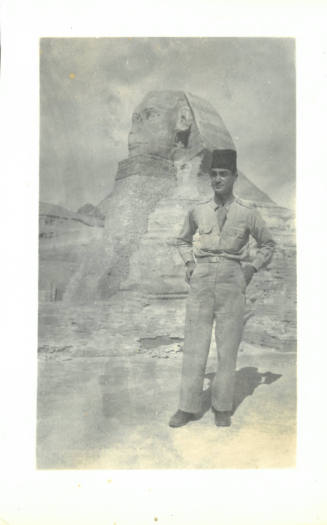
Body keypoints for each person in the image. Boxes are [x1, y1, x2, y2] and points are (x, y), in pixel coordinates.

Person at [169, 149, 276, 428]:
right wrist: (189, 264)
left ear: (234, 177)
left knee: (228, 349)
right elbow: (181, 240)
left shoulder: (247, 213)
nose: (217, 179)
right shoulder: (198, 210)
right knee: (195, 346)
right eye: (213, 174)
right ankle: (187, 407)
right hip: (201, 280)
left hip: (232, 280)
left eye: (223, 174)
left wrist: (251, 268)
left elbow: (268, 244)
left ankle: (222, 407)